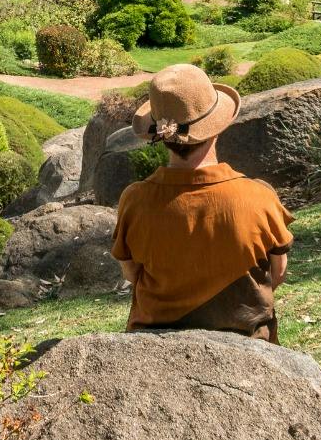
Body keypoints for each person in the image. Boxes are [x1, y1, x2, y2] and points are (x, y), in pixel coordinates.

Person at [111, 63, 294, 340]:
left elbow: (132, 275)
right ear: (216, 127)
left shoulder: (134, 200)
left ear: (159, 136)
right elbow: (277, 273)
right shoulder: (259, 197)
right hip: (248, 347)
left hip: (151, 346)